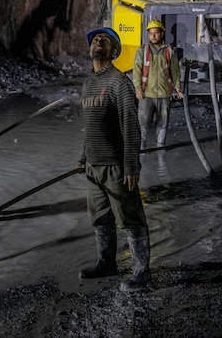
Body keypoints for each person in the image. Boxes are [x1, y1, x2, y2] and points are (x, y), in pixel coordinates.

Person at [78, 26, 152, 292]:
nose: (98, 41)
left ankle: (142, 272)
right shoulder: (87, 84)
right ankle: (106, 263)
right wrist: (83, 156)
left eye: (105, 40)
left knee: (130, 217)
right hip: (93, 167)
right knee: (100, 218)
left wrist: (132, 164)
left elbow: (131, 126)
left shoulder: (119, 82)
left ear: (113, 51)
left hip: (116, 166)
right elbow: (91, 126)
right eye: (95, 39)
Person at [132, 19, 183, 150]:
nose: (153, 36)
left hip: (165, 94)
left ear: (162, 34)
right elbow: (137, 70)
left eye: (156, 33)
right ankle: (141, 149)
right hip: (146, 94)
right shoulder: (142, 50)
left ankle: (160, 149)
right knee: (143, 123)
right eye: (151, 33)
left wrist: (178, 88)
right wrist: (137, 89)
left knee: (163, 123)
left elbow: (175, 71)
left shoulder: (170, 51)